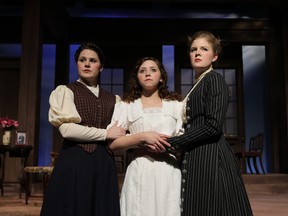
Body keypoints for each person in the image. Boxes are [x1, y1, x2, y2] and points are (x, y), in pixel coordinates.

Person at [162, 30, 253, 215]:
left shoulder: (214, 80)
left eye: (204, 49)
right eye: (193, 49)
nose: (197, 53)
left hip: (211, 154)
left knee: (212, 206)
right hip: (197, 152)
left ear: (214, 56)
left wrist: (172, 142)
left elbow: (212, 127)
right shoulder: (199, 83)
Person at [40, 43, 126, 216]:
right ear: (77, 64)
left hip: (103, 162)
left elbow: (119, 132)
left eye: (92, 60)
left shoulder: (114, 99)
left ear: (100, 67)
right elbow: (67, 130)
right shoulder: (66, 91)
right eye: (82, 60)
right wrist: (105, 134)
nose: (87, 64)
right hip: (75, 159)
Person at [107, 56, 183, 216]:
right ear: (137, 78)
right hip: (140, 169)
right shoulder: (127, 106)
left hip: (168, 169)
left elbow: (183, 138)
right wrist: (142, 137)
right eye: (142, 71)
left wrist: (169, 146)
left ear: (161, 77)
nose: (148, 73)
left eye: (153, 70)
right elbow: (112, 144)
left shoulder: (176, 106)